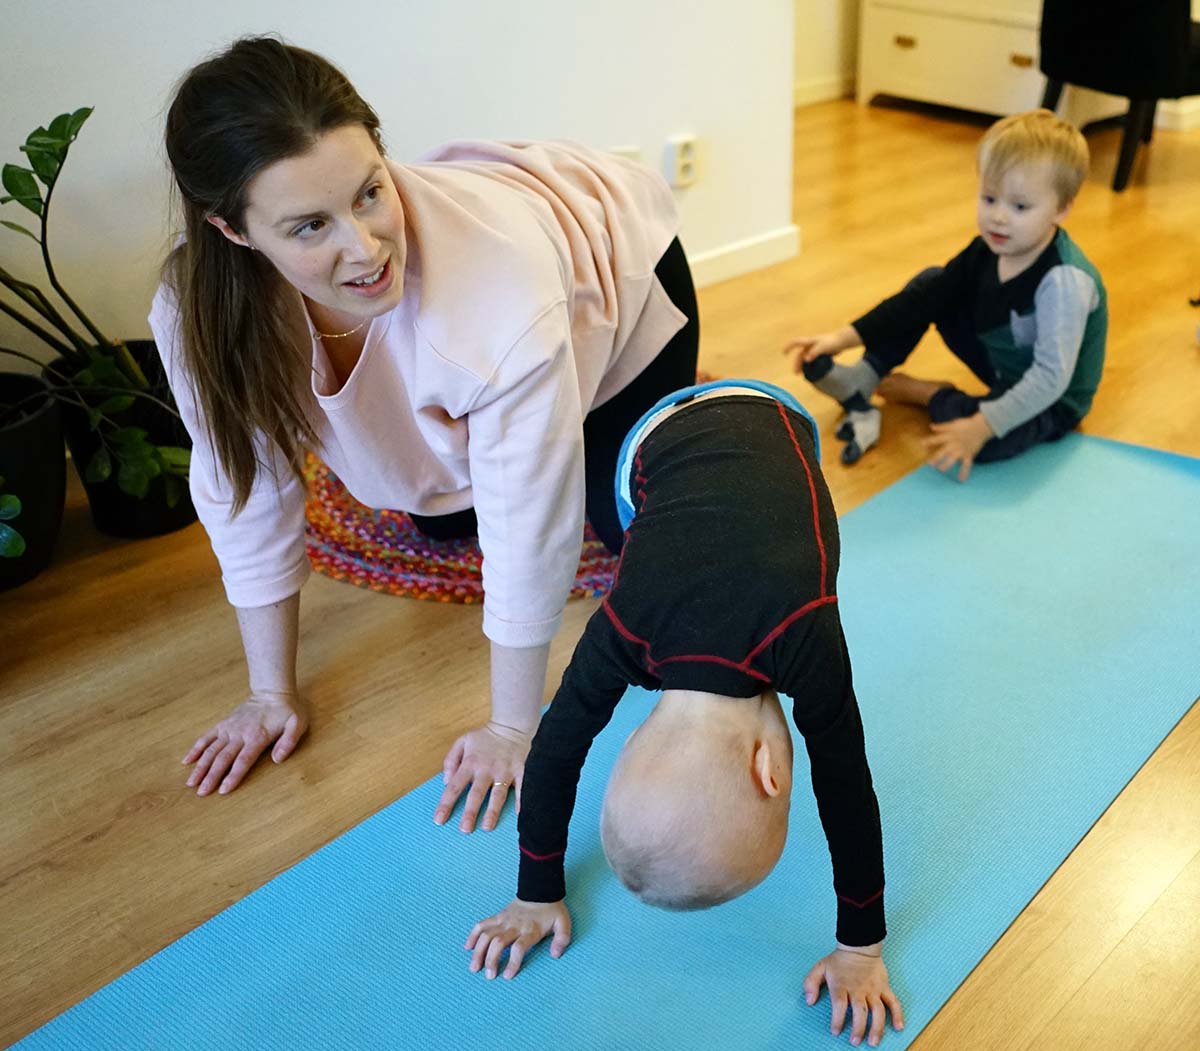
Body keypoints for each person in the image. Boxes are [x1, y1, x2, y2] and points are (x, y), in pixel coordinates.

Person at [152, 36, 699, 829]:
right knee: (438, 521)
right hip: (503, 315)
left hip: (616, 265)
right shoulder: (195, 312)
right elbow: (247, 488)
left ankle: (635, 418)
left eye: (371, 192)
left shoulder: (498, 289)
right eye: (310, 226)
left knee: (623, 528)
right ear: (232, 231)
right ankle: (525, 399)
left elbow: (527, 510)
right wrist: (270, 691)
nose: (365, 246)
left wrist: (513, 725)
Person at [466, 380, 904, 1048]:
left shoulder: (799, 630)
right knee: (638, 533)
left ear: (770, 770)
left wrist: (861, 946)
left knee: (647, 532)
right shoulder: (630, 624)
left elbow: (846, 784)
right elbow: (553, 748)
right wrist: (534, 889)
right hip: (664, 440)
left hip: (778, 424)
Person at [787, 108, 1107, 480]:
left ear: (1062, 209)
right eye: (989, 199)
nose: (999, 217)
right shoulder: (988, 248)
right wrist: (843, 337)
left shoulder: (1063, 281)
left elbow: (1050, 379)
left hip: (1054, 400)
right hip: (1002, 365)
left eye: (1019, 206)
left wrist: (982, 426)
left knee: (977, 442)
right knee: (934, 283)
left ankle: (930, 393)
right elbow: (922, 300)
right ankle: (867, 374)